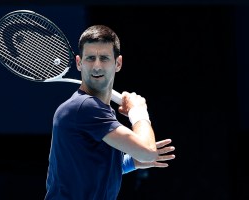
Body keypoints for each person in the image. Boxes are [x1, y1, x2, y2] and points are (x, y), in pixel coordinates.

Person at [44, 25, 175, 200]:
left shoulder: (99, 111)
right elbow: (148, 151)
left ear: (118, 63)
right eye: (90, 58)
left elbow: (91, 169)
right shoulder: (84, 107)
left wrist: (132, 161)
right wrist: (139, 112)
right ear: (78, 63)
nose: (97, 66)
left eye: (104, 58)